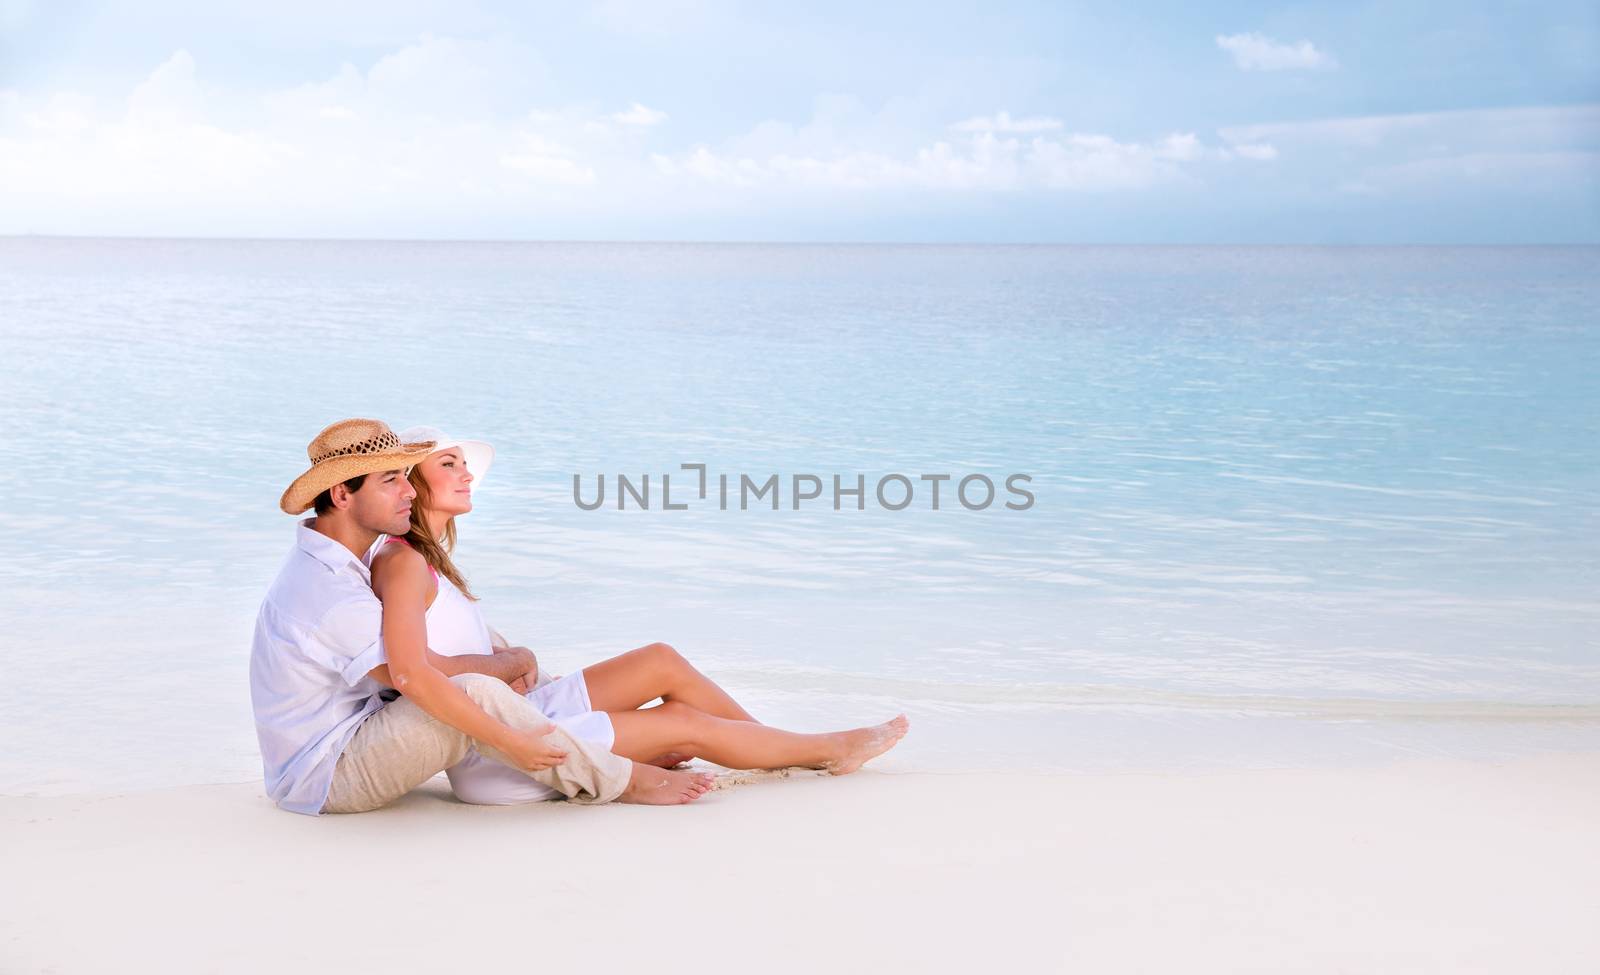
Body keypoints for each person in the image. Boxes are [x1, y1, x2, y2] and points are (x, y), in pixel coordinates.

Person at [369, 425, 910, 805]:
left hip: (516, 709)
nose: (466, 475)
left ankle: (772, 746)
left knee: (660, 661)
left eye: (465, 465)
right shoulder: (402, 561)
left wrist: (511, 656)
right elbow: (413, 671)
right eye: (448, 464)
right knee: (681, 724)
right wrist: (511, 662)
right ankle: (824, 750)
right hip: (493, 756)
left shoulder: (428, 559)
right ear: (411, 484)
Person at [249, 418, 716, 816]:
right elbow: (413, 676)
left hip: (352, 741)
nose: (408, 490)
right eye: (390, 479)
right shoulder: (327, 589)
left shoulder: (343, 565)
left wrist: (506, 660)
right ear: (342, 495)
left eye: (405, 476)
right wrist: (511, 736)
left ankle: (602, 742)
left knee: (485, 678)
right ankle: (620, 779)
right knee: (475, 689)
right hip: (327, 776)